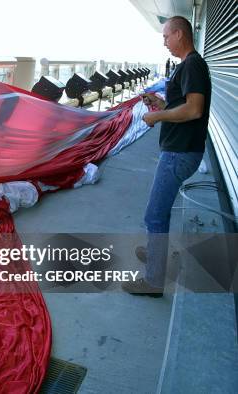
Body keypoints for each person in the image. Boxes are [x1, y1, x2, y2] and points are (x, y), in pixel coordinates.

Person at [122, 16, 210, 297]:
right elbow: (182, 106)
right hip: (180, 150)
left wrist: (157, 115)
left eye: (166, 36)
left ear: (180, 34)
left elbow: (194, 110)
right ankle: (155, 253)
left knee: (154, 215)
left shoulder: (192, 64)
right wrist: (160, 103)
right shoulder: (188, 66)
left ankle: (153, 281)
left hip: (179, 153)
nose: (164, 42)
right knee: (159, 211)